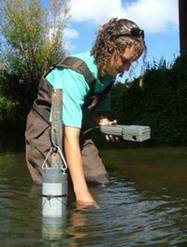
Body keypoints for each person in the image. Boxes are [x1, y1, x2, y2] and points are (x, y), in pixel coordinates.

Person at [25, 18, 146, 208]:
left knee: (100, 181)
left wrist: (104, 122)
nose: (127, 68)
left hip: (77, 127)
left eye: (131, 63)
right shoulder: (76, 75)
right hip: (45, 125)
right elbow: (69, 138)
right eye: (125, 61)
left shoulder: (108, 77)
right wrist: (83, 195)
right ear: (109, 50)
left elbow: (97, 114)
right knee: (53, 190)